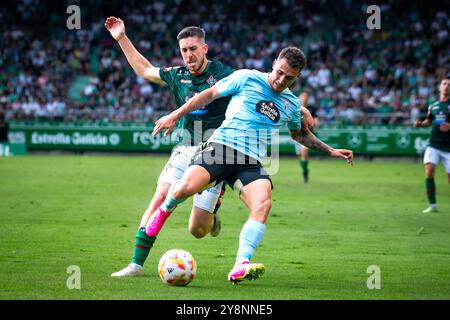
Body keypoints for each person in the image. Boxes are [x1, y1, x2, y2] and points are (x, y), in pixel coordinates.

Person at [151, 47, 354, 284]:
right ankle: (165, 208)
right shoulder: (247, 77)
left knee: (263, 203)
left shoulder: (290, 103)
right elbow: (208, 95)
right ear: (274, 62)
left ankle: (240, 265)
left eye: (289, 78)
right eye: (279, 72)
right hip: (221, 148)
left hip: (249, 162)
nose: (280, 80)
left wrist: (329, 149)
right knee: (185, 189)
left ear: (297, 77)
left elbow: (300, 134)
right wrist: (176, 114)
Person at [105, 17, 234, 277]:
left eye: (193, 49)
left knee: (197, 230)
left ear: (204, 49)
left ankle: (213, 212)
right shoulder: (178, 75)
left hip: (215, 153)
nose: (189, 54)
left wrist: (297, 106)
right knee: (161, 198)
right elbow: (145, 70)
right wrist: (122, 38)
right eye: (184, 50)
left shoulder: (225, 74)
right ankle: (136, 264)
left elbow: (259, 85)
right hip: (185, 148)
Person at [413, 75, 450, 213]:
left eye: (449, 84)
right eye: (444, 83)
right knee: (429, 171)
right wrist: (420, 125)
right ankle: (432, 206)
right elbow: (428, 121)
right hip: (434, 144)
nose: (446, 86)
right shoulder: (433, 105)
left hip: (448, 147)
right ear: (440, 87)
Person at [293, 89, 320, 183]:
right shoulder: (295, 107)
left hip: (307, 135)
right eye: (302, 96)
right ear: (299, 98)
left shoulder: (311, 108)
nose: (304, 98)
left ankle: (305, 173)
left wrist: (316, 122)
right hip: (296, 135)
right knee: (299, 155)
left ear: (308, 99)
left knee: (304, 153)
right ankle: (305, 170)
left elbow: (316, 119)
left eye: (306, 97)